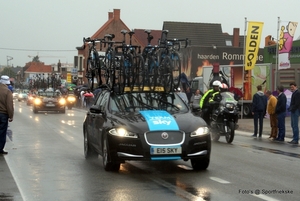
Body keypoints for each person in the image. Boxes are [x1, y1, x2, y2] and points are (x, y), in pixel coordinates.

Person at [0, 75, 14, 154]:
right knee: (2, 132)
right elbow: (9, 105)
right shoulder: (7, 91)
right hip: (3, 115)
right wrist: (11, 115)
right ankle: (0, 148)